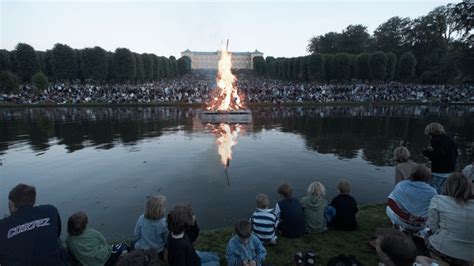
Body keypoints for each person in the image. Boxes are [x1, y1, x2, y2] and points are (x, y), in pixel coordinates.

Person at [0, 183, 68, 265]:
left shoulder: (2, 225)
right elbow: (57, 234)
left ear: (11, 204)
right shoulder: (50, 210)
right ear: (33, 200)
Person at [426, 172, 474, 265]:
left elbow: (432, 226)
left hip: (443, 250)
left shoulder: (438, 200)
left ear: (447, 185)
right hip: (470, 256)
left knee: (428, 234)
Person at [386, 164, 437, 232]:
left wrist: (407, 217)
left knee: (388, 208)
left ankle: (397, 225)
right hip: (421, 225)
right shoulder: (433, 192)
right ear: (428, 176)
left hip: (404, 221)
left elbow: (390, 201)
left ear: (412, 173)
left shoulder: (402, 185)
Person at [423, 122, 458, 193]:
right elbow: (456, 153)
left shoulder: (435, 139)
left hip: (439, 172)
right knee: (445, 192)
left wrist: (426, 153)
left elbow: (438, 155)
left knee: (434, 192)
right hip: (450, 171)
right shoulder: (449, 139)